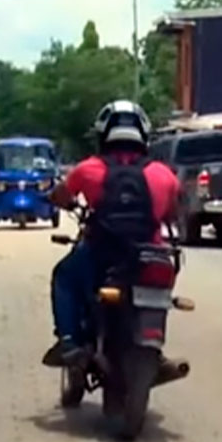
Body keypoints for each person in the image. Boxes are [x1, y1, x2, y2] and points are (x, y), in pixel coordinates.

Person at [43, 100, 181, 368]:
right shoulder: (163, 175)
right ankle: (155, 348)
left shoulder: (87, 169)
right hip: (149, 254)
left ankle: (69, 340)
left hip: (100, 252)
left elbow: (61, 196)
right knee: (161, 290)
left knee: (64, 278)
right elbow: (173, 211)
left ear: (103, 135)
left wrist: (58, 199)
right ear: (144, 136)